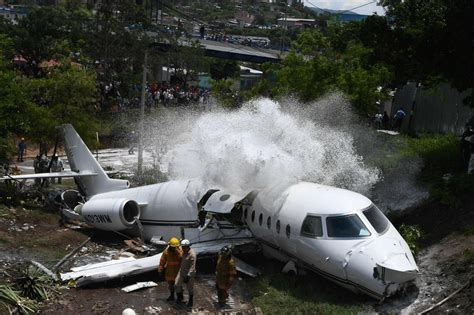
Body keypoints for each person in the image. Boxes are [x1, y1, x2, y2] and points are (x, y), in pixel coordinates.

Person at [158, 237, 183, 301]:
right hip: (169, 272)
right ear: (170, 246)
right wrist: (160, 271)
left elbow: (184, 261)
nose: (174, 248)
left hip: (178, 272)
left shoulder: (180, 252)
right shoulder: (166, 252)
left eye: (175, 247)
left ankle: (180, 297)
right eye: (173, 247)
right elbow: (162, 262)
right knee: (171, 285)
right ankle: (172, 296)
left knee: (178, 285)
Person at [174, 239, 196, 307]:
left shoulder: (192, 254)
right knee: (177, 284)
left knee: (190, 288)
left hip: (189, 274)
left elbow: (192, 267)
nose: (182, 248)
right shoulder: (183, 251)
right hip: (182, 271)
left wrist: (188, 276)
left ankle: (191, 300)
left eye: (183, 247)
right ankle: (180, 298)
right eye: (182, 247)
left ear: (188, 246)